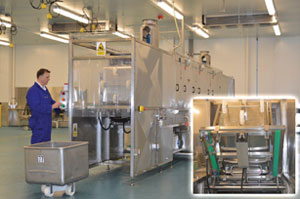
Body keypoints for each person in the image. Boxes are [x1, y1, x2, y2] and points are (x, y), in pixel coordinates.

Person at [26, 68, 61, 144]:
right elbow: (35, 107)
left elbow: (51, 101)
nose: (49, 79)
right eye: (47, 77)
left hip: (46, 124)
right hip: (38, 124)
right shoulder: (33, 91)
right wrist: (52, 107)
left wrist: (60, 106)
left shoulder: (45, 89)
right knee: (38, 146)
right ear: (40, 77)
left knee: (46, 146)